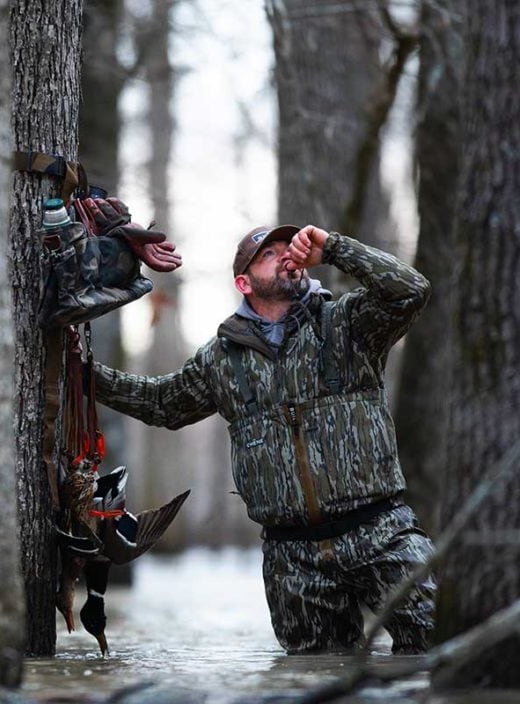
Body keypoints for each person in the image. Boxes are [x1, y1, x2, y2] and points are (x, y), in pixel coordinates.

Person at [88, 200, 436, 654]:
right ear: (244, 282)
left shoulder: (347, 324)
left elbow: (410, 290)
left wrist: (333, 249)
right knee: (313, 677)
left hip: (381, 531)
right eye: (268, 254)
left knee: (438, 645)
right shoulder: (221, 359)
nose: (286, 254)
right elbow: (161, 404)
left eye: (287, 247)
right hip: (293, 558)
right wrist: (86, 374)